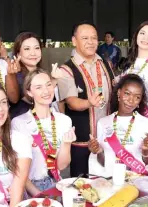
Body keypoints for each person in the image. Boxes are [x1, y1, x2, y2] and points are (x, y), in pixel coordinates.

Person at [56, 21, 115, 177]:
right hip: (83, 141)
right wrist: (89, 103)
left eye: (94, 38)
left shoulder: (106, 64)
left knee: (109, 180)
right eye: (85, 38)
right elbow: (71, 102)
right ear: (74, 41)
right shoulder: (66, 70)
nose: (91, 42)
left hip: (108, 139)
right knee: (82, 184)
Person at [11, 69, 75, 196]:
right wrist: (38, 194)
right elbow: (17, 169)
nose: (46, 91)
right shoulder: (19, 123)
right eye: (38, 87)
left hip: (56, 183)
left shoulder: (64, 120)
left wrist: (67, 143)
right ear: (29, 92)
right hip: (30, 187)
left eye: (48, 84)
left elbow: (61, 165)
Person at [88, 74, 148, 174]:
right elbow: (103, 163)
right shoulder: (103, 123)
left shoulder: (147, 124)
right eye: (127, 94)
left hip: (136, 180)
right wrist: (98, 151)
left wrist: (146, 152)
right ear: (119, 93)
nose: (131, 100)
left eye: (137, 97)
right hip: (111, 181)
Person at [8, 32, 44, 118]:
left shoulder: (42, 73)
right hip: (23, 124)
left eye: (36, 48)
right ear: (18, 54)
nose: (33, 53)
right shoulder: (16, 76)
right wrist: (54, 80)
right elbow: (31, 99)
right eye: (27, 49)